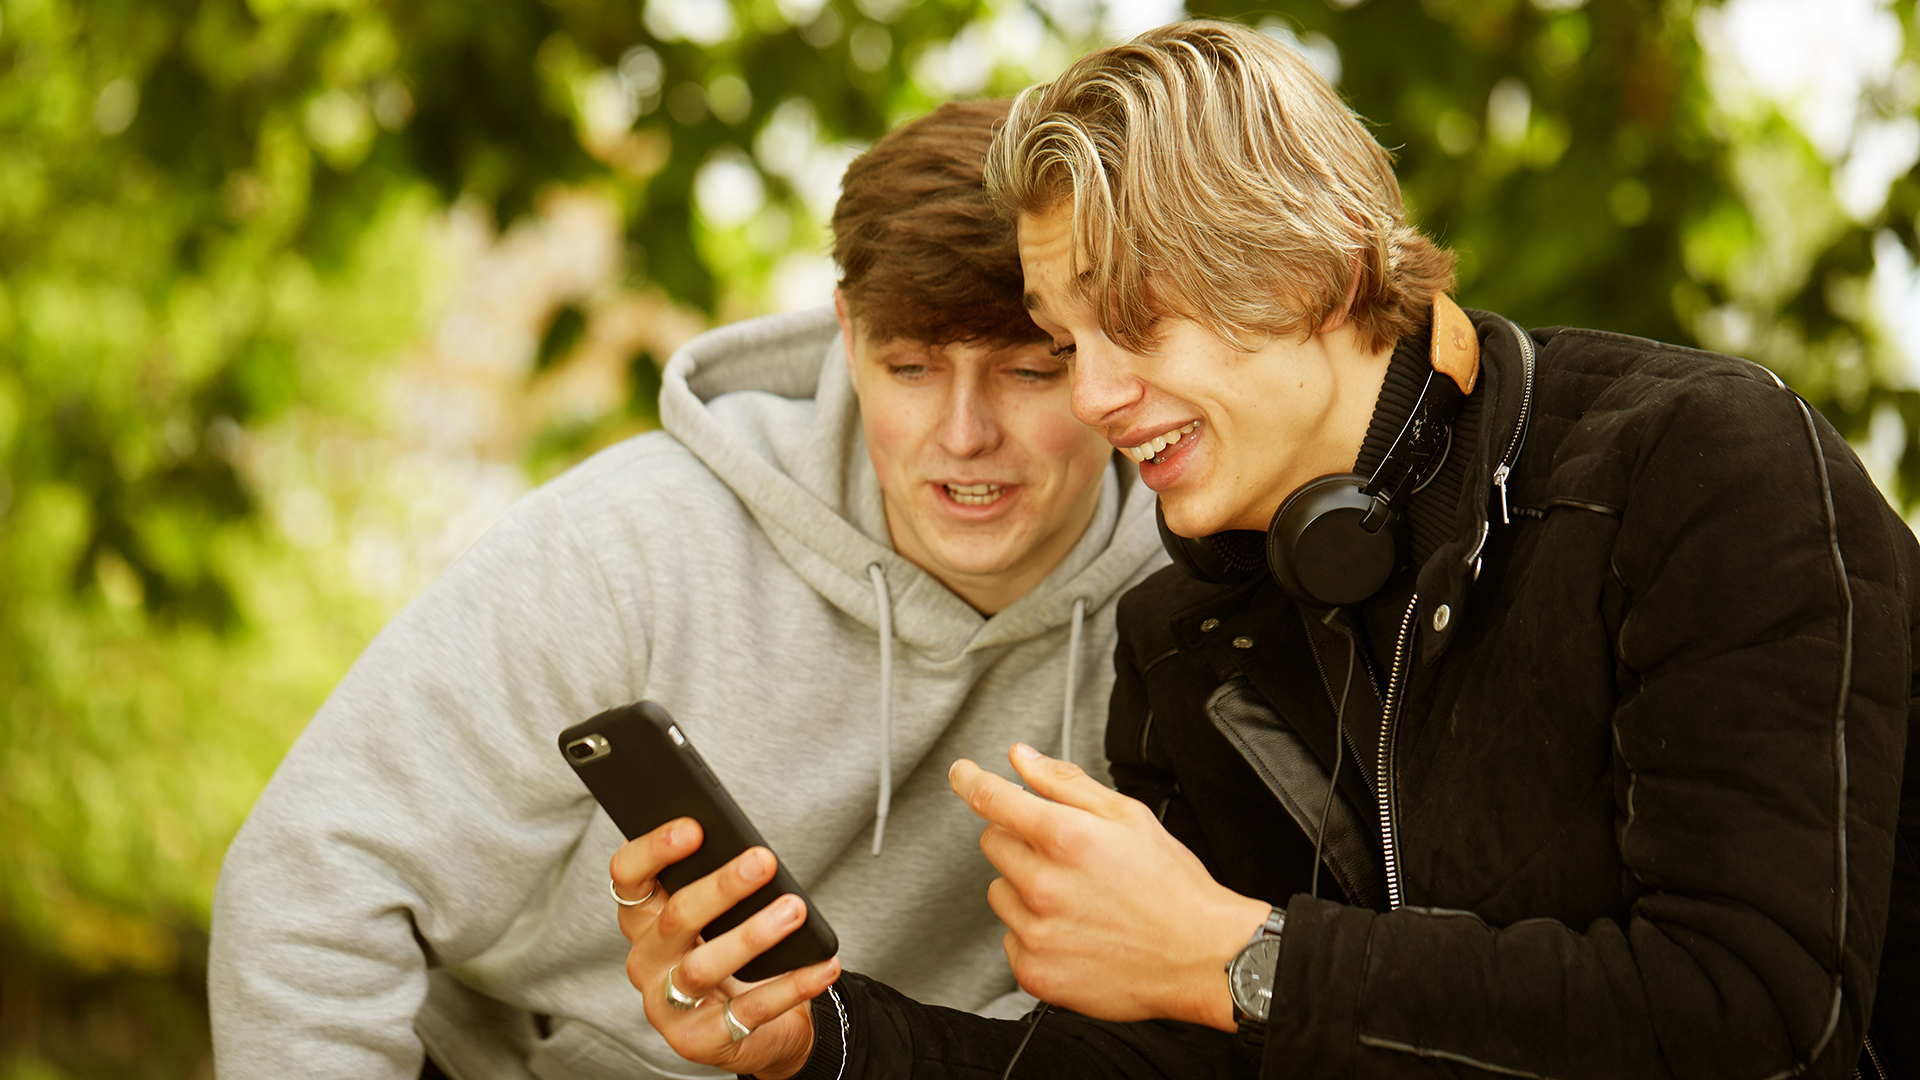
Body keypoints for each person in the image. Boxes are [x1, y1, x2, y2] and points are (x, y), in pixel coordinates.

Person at [610, 20, 1919, 1080]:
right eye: (1074, 344)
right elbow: (1159, 1065)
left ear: (1306, 269)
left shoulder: (1700, 469)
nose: (1095, 396)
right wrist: (821, 1042)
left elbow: (1758, 1015)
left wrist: (1242, 953)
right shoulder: (1190, 630)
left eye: (1137, 326)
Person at [206, 99, 1168, 1080]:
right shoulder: (631, 544)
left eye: (1028, 369)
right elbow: (314, 882)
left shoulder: (1194, 608)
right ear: (846, 333)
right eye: (910, 367)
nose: (963, 434)